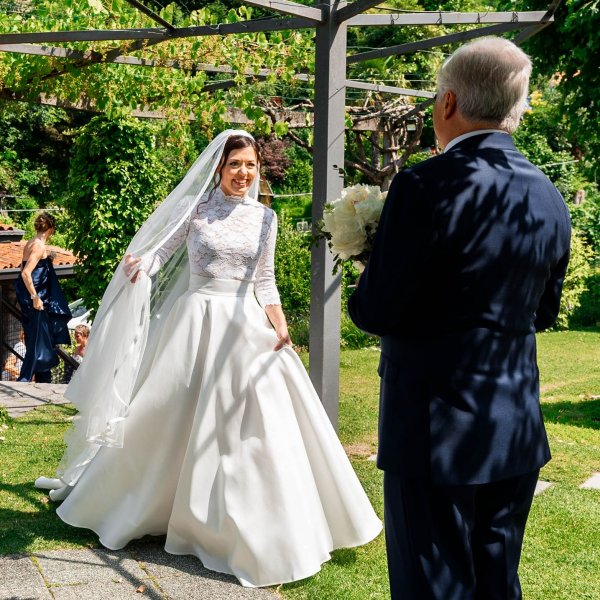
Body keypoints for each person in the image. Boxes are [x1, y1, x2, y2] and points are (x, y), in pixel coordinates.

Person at [36, 130, 382, 588]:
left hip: (243, 326)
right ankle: (139, 500)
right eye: (235, 164)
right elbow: (162, 253)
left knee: (251, 425)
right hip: (194, 320)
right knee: (168, 412)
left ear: (259, 170)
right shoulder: (197, 210)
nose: (243, 173)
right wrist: (141, 267)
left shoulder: (266, 218)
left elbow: (266, 279)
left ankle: (252, 522)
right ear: (220, 168)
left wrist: (278, 322)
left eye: (251, 166)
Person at [348, 37, 571, 599]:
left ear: (447, 104)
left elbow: (376, 310)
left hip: (432, 429)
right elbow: (543, 312)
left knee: (433, 587)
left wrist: (369, 265)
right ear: (515, 110)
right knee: (497, 584)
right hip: (514, 427)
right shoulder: (547, 196)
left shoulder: (424, 185)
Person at [15, 212, 72, 382]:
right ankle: (25, 378)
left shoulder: (30, 243)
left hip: (31, 298)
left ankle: (42, 377)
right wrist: (35, 297)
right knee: (38, 340)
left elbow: (22, 269)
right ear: (51, 229)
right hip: (35, 300)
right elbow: (26, 273)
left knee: (39, 338)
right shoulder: (39, 246)